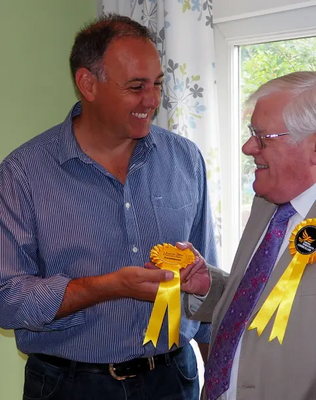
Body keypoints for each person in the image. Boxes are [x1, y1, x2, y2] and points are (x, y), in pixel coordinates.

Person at [0, 14, 217, 400]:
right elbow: (6, 299)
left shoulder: (185, 159)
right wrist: (107, 287)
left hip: (174, 379)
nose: (151, 101)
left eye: (157, 85)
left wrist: (217, 379)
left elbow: (205, 287)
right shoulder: (22, 174)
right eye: (136, 87)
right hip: (70, 385)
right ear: (88, 84)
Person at [182, 71, 316, 399]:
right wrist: (210, 287)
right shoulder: (268, 201)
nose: (247, 146)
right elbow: (265, 305)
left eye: (262, 136)